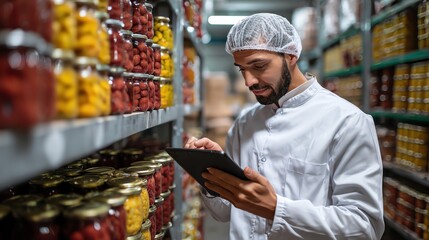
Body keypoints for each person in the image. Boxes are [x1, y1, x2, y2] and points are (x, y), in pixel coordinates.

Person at [185, 13, 384, 239]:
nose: (248, 81)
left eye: (258, 66)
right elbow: (224, 212)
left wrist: (276, 209)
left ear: (290, 55)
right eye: (242, 69)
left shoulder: (346, 122)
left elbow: (364, 227)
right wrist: (212, 177)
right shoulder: (245, 123)